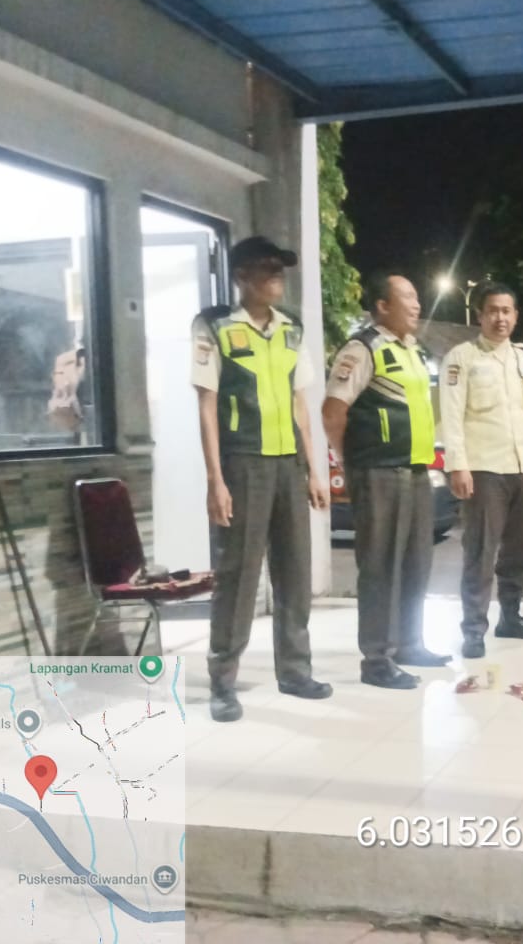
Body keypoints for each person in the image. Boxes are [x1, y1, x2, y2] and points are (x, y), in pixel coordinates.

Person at [192, 235, 333, 723]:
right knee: (238, 576)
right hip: (243, 463)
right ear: (241, 277)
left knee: (295, 572)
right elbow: (207, 404)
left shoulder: (291, 329)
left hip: (288, 464)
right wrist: (215, 479)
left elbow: (300, 403)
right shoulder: (215, 326)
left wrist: (314, 469)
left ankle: (295, 671)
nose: (277, 277)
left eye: (280, 269)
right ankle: (223, 682)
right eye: (267, 269)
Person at [323, 273, 451, 689]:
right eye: (407, 297)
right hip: (377, 471)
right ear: (382, 306)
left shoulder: (413, 350)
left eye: (416, 297)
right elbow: (333, 412)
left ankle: (410, 643)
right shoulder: (363, 348)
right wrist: (351, 462)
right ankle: (377, 659)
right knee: (380, 567)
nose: (416, 304)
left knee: (416, 562)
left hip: (415, 470)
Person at [438, 282, 523, 659]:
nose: (500, 318)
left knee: (520, 549)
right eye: (493, 310)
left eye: (507, 311)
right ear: (480, 315)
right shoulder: (462, 358)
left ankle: (511, 616)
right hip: (484, 469)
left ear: (516, 316)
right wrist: (458, 465)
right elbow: (451, 415)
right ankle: (473, 629)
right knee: (480, 551)